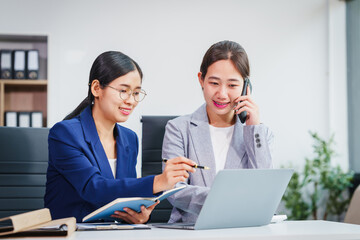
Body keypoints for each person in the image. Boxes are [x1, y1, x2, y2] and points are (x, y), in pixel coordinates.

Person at [44, 51, 195, 223]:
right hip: (73, 233)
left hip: (113, 233)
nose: (131, 101)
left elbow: (122, 197)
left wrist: (140, 215)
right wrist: (158, 182)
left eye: (136, 93)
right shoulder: (65, 133)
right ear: (96, 88)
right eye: (123, 91)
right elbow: (94, 188)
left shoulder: (129, 139)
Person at [162, 40, 274, 224]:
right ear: (201, 79)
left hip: (242, 232)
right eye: (214, 83)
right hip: (190, 232)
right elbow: (175, 190)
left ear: (246, 86)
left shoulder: (260, 134)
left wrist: (253, 127)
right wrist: (232, 200)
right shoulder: (178, 128)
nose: (222, 94)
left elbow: (265, 190)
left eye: (232, 85)